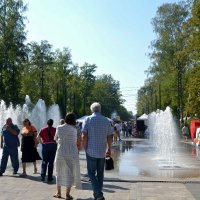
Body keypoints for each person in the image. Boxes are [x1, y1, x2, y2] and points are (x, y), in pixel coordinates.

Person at [82, 102, 113, 200]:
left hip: (91, 150)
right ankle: (98, 195)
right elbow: (110, 136)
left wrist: (85, 146)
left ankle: (98, 194)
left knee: (91, 173)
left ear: (92, 109)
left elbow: (84, 135)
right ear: (100, 109)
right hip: (102, 151)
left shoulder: (87, 119)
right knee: (100, 174)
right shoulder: (106, 120)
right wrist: (109, 148)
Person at [53, 112, 81, 200]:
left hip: (61, 151)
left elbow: (55, 139)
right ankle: (67, 195)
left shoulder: (59, 127)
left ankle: (58, 192)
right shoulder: (74, 130)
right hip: (72, 152)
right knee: (70, 173)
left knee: (59, 171)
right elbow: (75, 141)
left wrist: (59, 142)